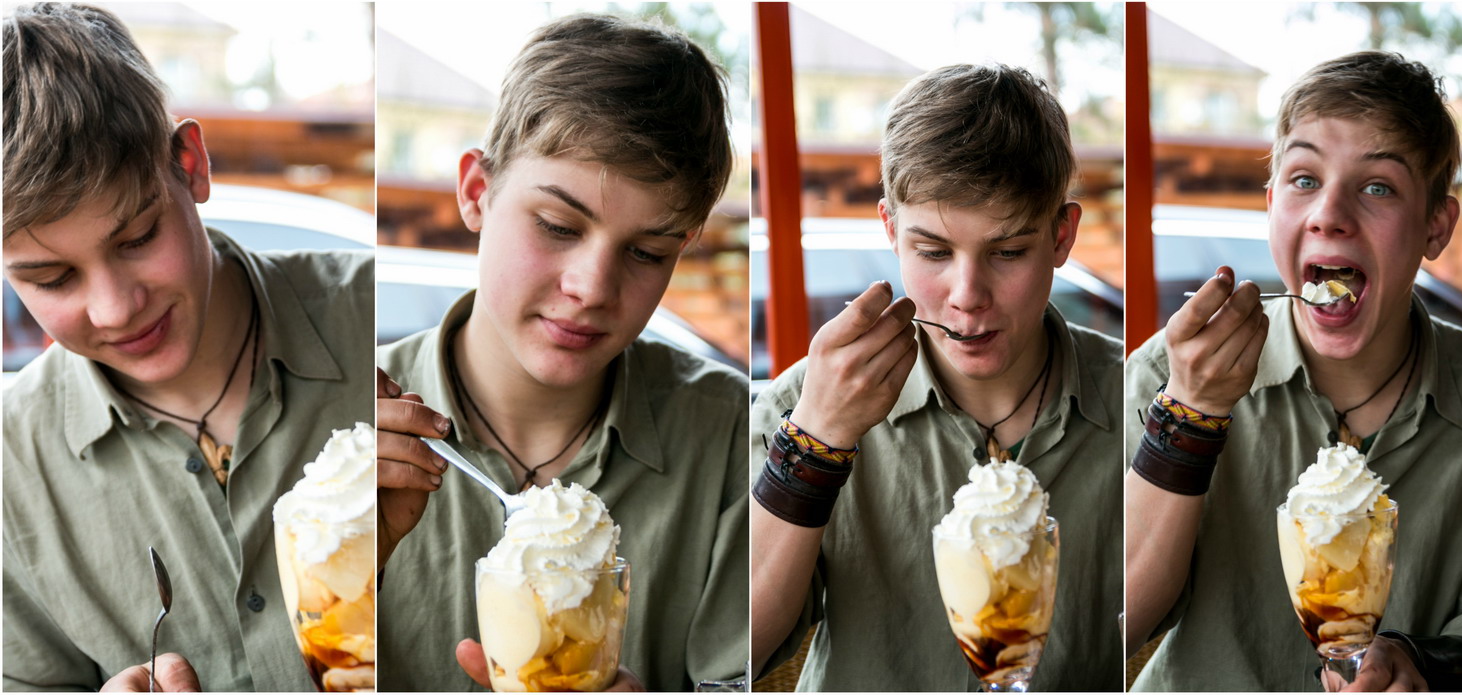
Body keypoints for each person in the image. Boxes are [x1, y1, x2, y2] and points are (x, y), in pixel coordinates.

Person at [2, 3, 374, 690]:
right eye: (52, 278)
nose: (116, 308)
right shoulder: (11, 465)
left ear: (192, 164)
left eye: (138, 238)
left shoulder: (383, 325)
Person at [373, 13, 749, 692]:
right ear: (476, 193)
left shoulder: (732, 437)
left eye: (646, 252)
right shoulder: (344, 425)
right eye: (556, 225)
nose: (592, 288)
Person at [1125, 51, 1462, 692]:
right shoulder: (1168, 373)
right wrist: (1190, 417)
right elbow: (1116, 621)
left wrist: (1428, 664)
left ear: (1436, 226)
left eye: (1377, 186)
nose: (1329, 213)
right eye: (1303, 179)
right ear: (1271, 205)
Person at [750, 63, 1124, 691]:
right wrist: (816, 443)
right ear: (891, 231)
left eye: (1008, 252)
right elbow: (744, 654)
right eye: (932, 252)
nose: (967, 295)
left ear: (1062, 236)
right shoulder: (799, 406)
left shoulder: (1138, 403)